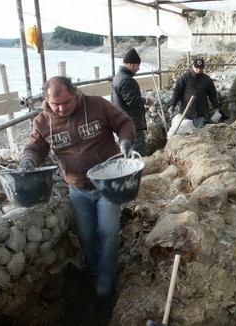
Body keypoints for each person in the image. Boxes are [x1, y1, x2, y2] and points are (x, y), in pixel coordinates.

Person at [20, 76, 136, 298]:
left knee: (109, 231)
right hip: (78, 188)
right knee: (86, 236)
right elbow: (35, 147)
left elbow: (124, 122)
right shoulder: (43, 121)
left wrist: (126, 142)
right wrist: (28, 160)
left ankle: (106, 280)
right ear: (47, 101)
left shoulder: (97, 105)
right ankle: (94, 276)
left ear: (76, 93)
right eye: (56, 104)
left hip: (108, 183)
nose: (62, 108)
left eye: (67, 102)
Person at [111, 48, 153, 156]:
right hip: (132, 123)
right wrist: (146, 100)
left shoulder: (118, 77)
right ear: (129, 64)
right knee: (138, 154)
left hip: (122, 122)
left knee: (128, 153)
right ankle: (139, 173)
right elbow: (132, 100)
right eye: (137, 65)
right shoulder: (126, 80)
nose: (138, 69)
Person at [168, 58, 219, 128]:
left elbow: (212, 94)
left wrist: (216, 107)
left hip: (200, 111)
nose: (198, 70)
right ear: (193, 67)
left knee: (198, 131)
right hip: (186, 111)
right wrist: (172, 105)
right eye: (197, 68)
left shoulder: (207, 80)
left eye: (200, 68)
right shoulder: (185, 77)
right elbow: (177, 91)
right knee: (185, 131)